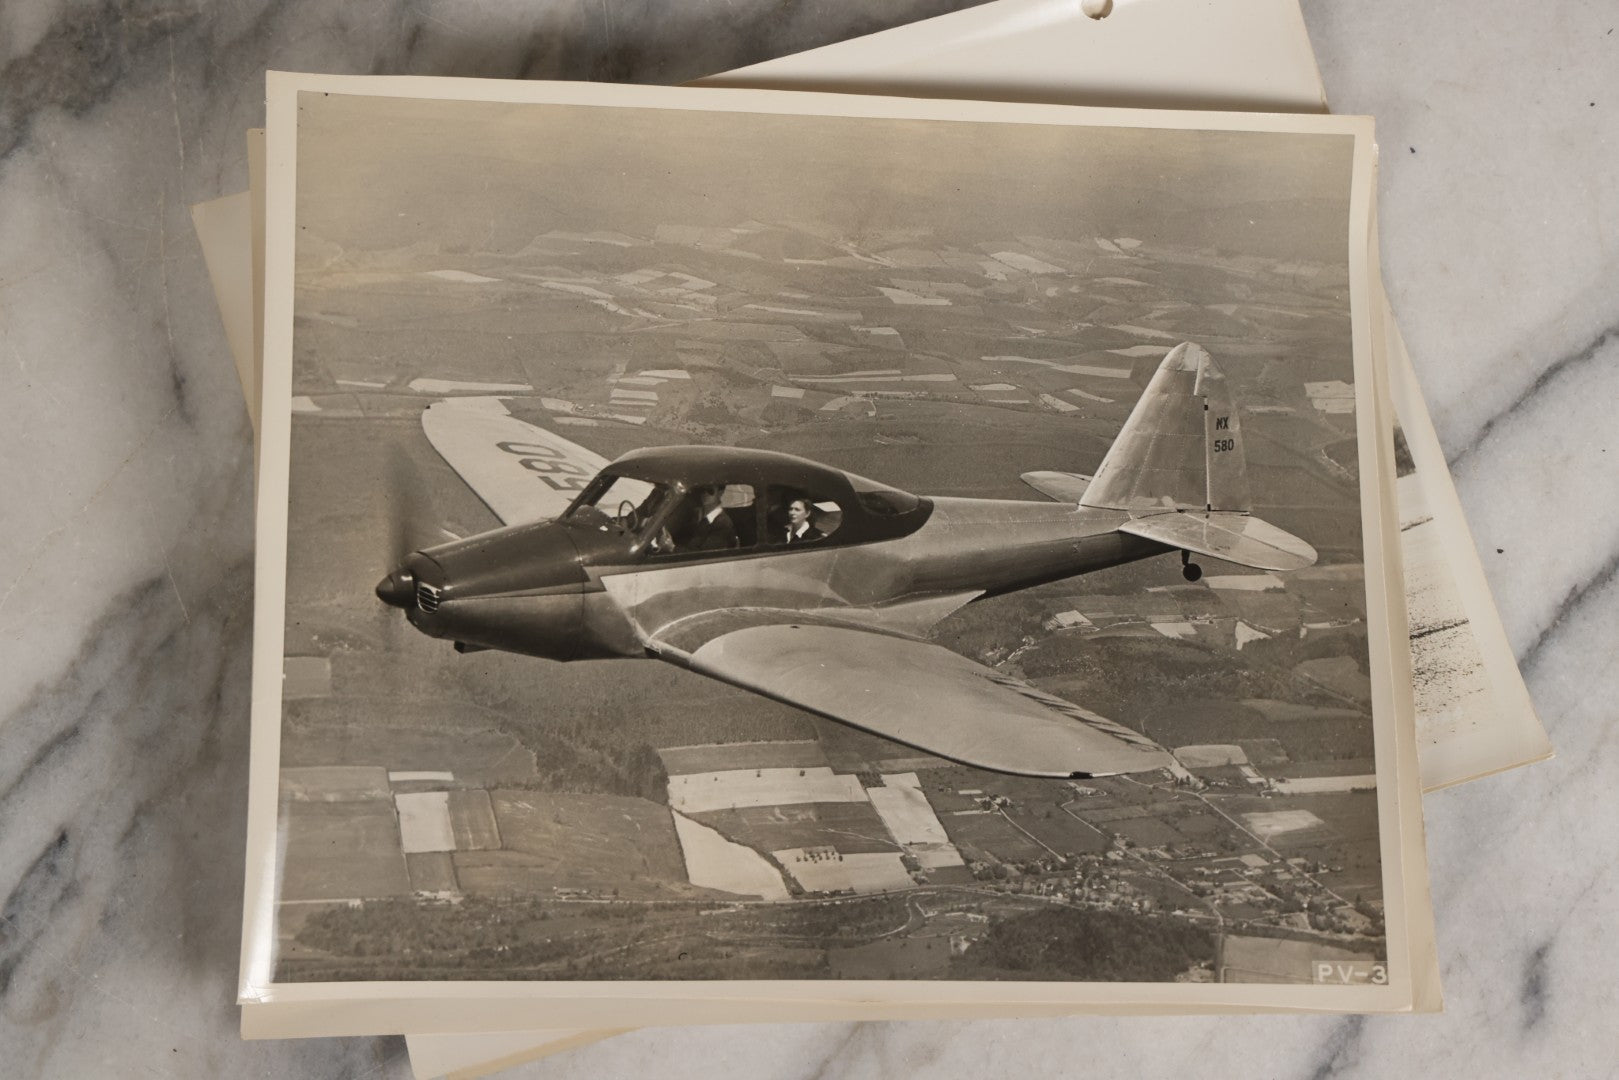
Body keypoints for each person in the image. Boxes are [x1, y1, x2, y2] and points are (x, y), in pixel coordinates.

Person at [679, 484, 738, 552]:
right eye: (702, 490)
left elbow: (702, 555)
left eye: (710, 490)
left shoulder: (723, 524)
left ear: (720, 493)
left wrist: (672, 548)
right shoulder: (700, 518)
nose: (705, 493)